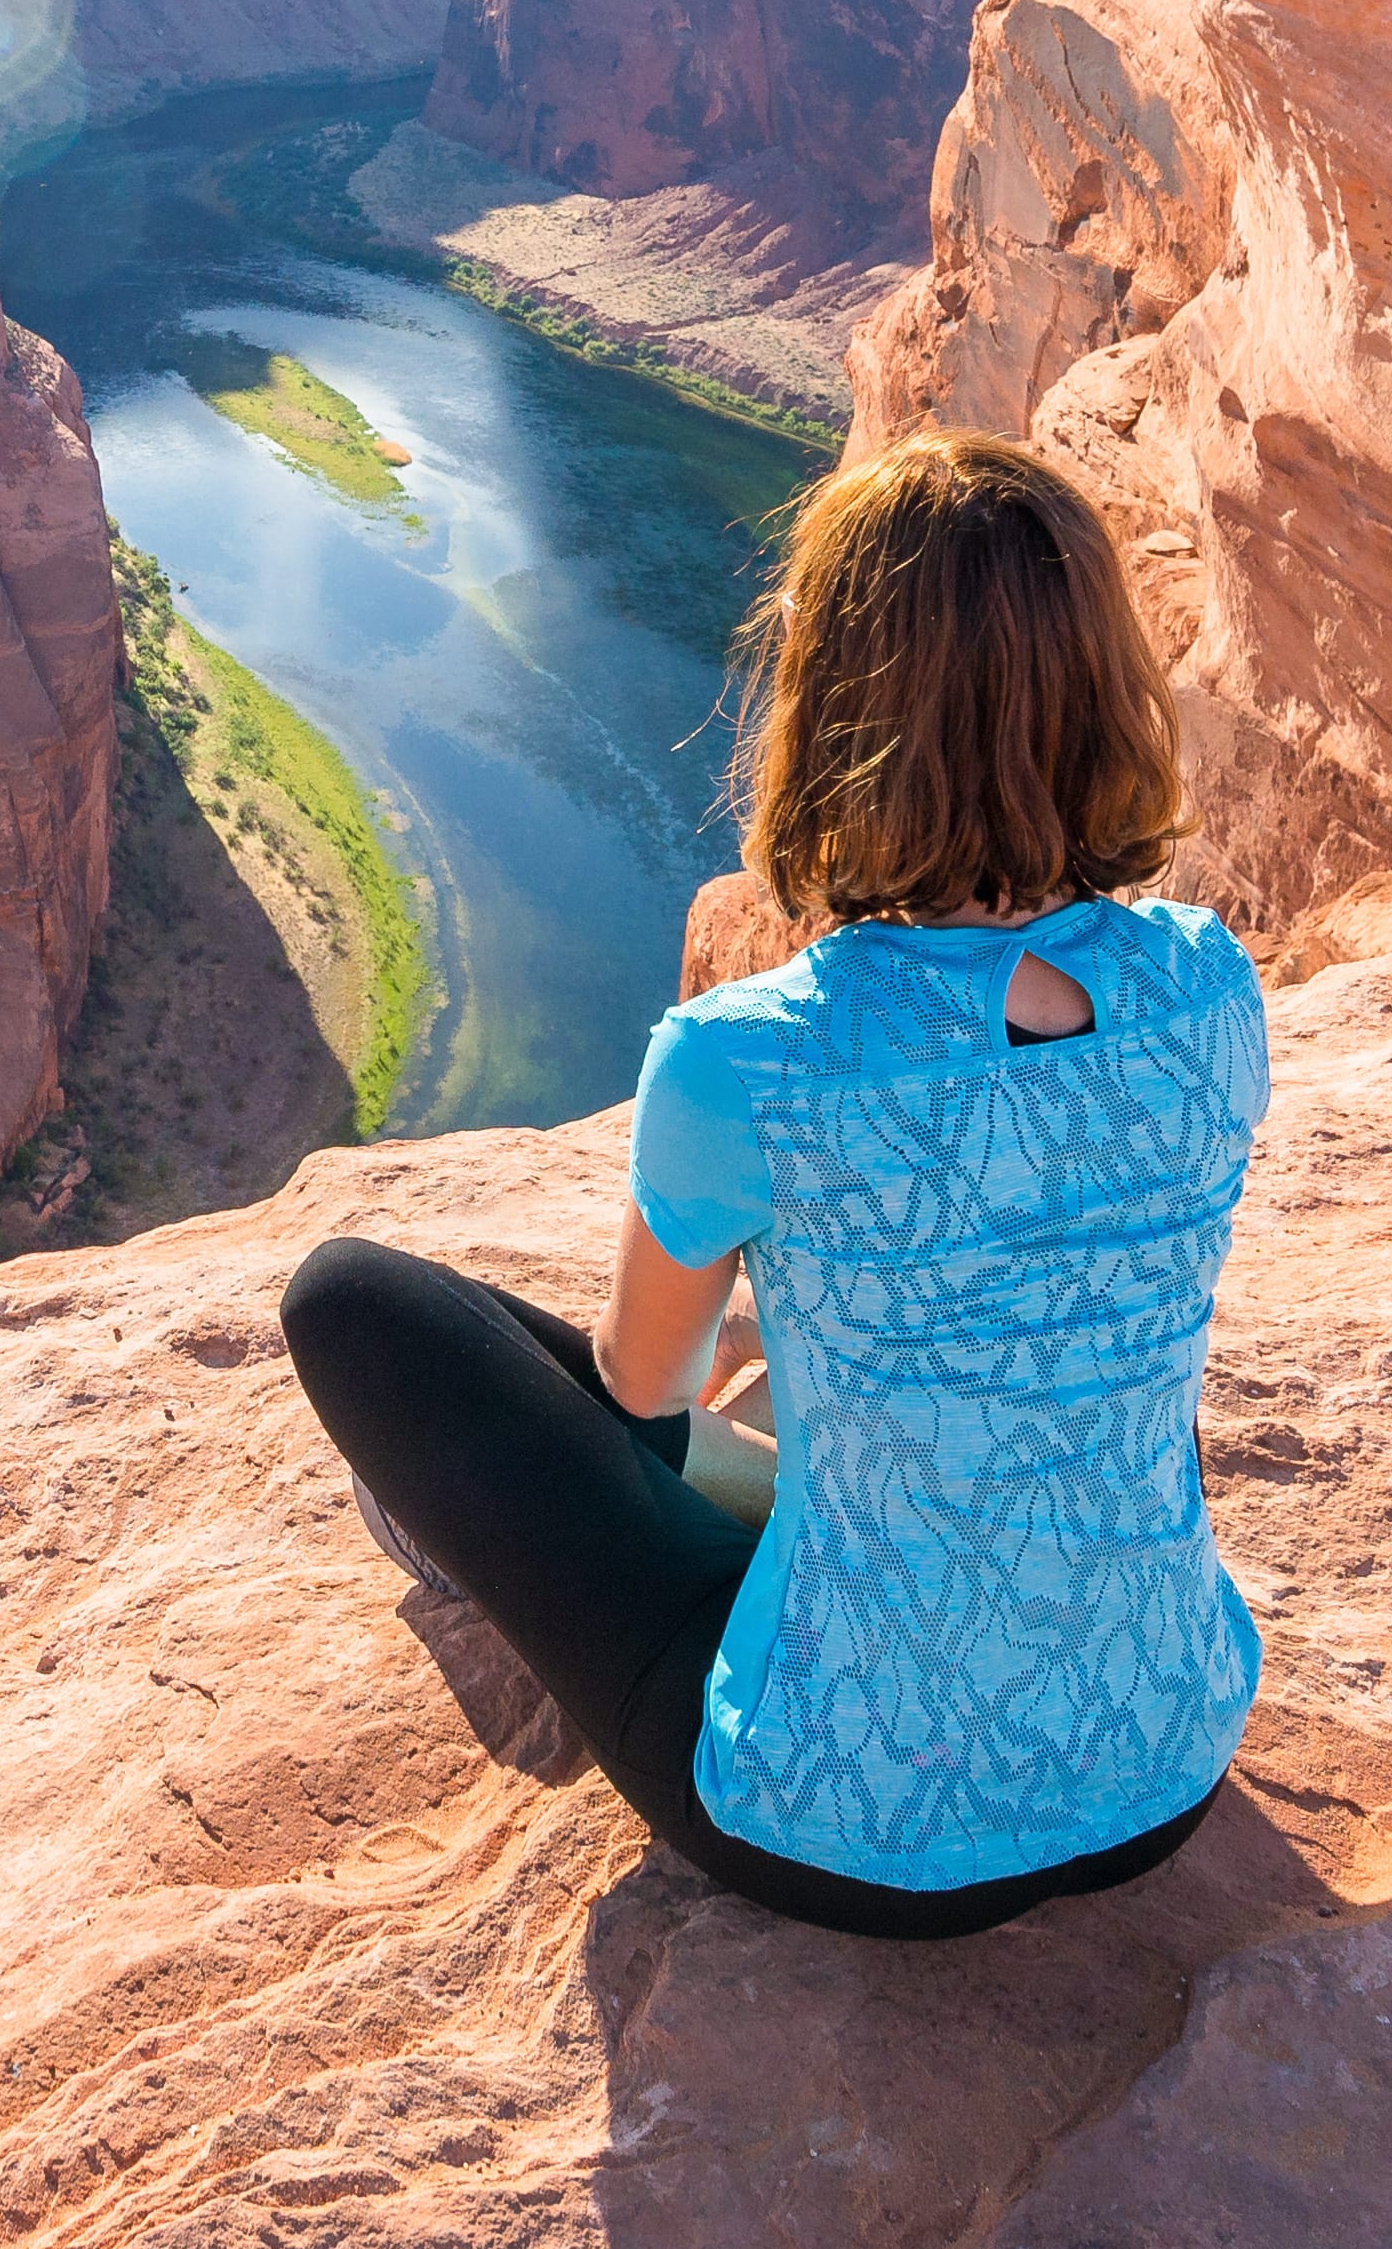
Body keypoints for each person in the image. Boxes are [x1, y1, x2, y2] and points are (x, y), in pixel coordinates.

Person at [280, 427, 1270, 1937]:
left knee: (355, 1301)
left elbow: (641, 1382)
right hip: (1162, 1765)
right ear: (1103, 687)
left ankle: (470, 1520)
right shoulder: (1208, 992)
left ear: (832, 704)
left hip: (841, 1825)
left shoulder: (748, 1059)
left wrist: (755, 1337)